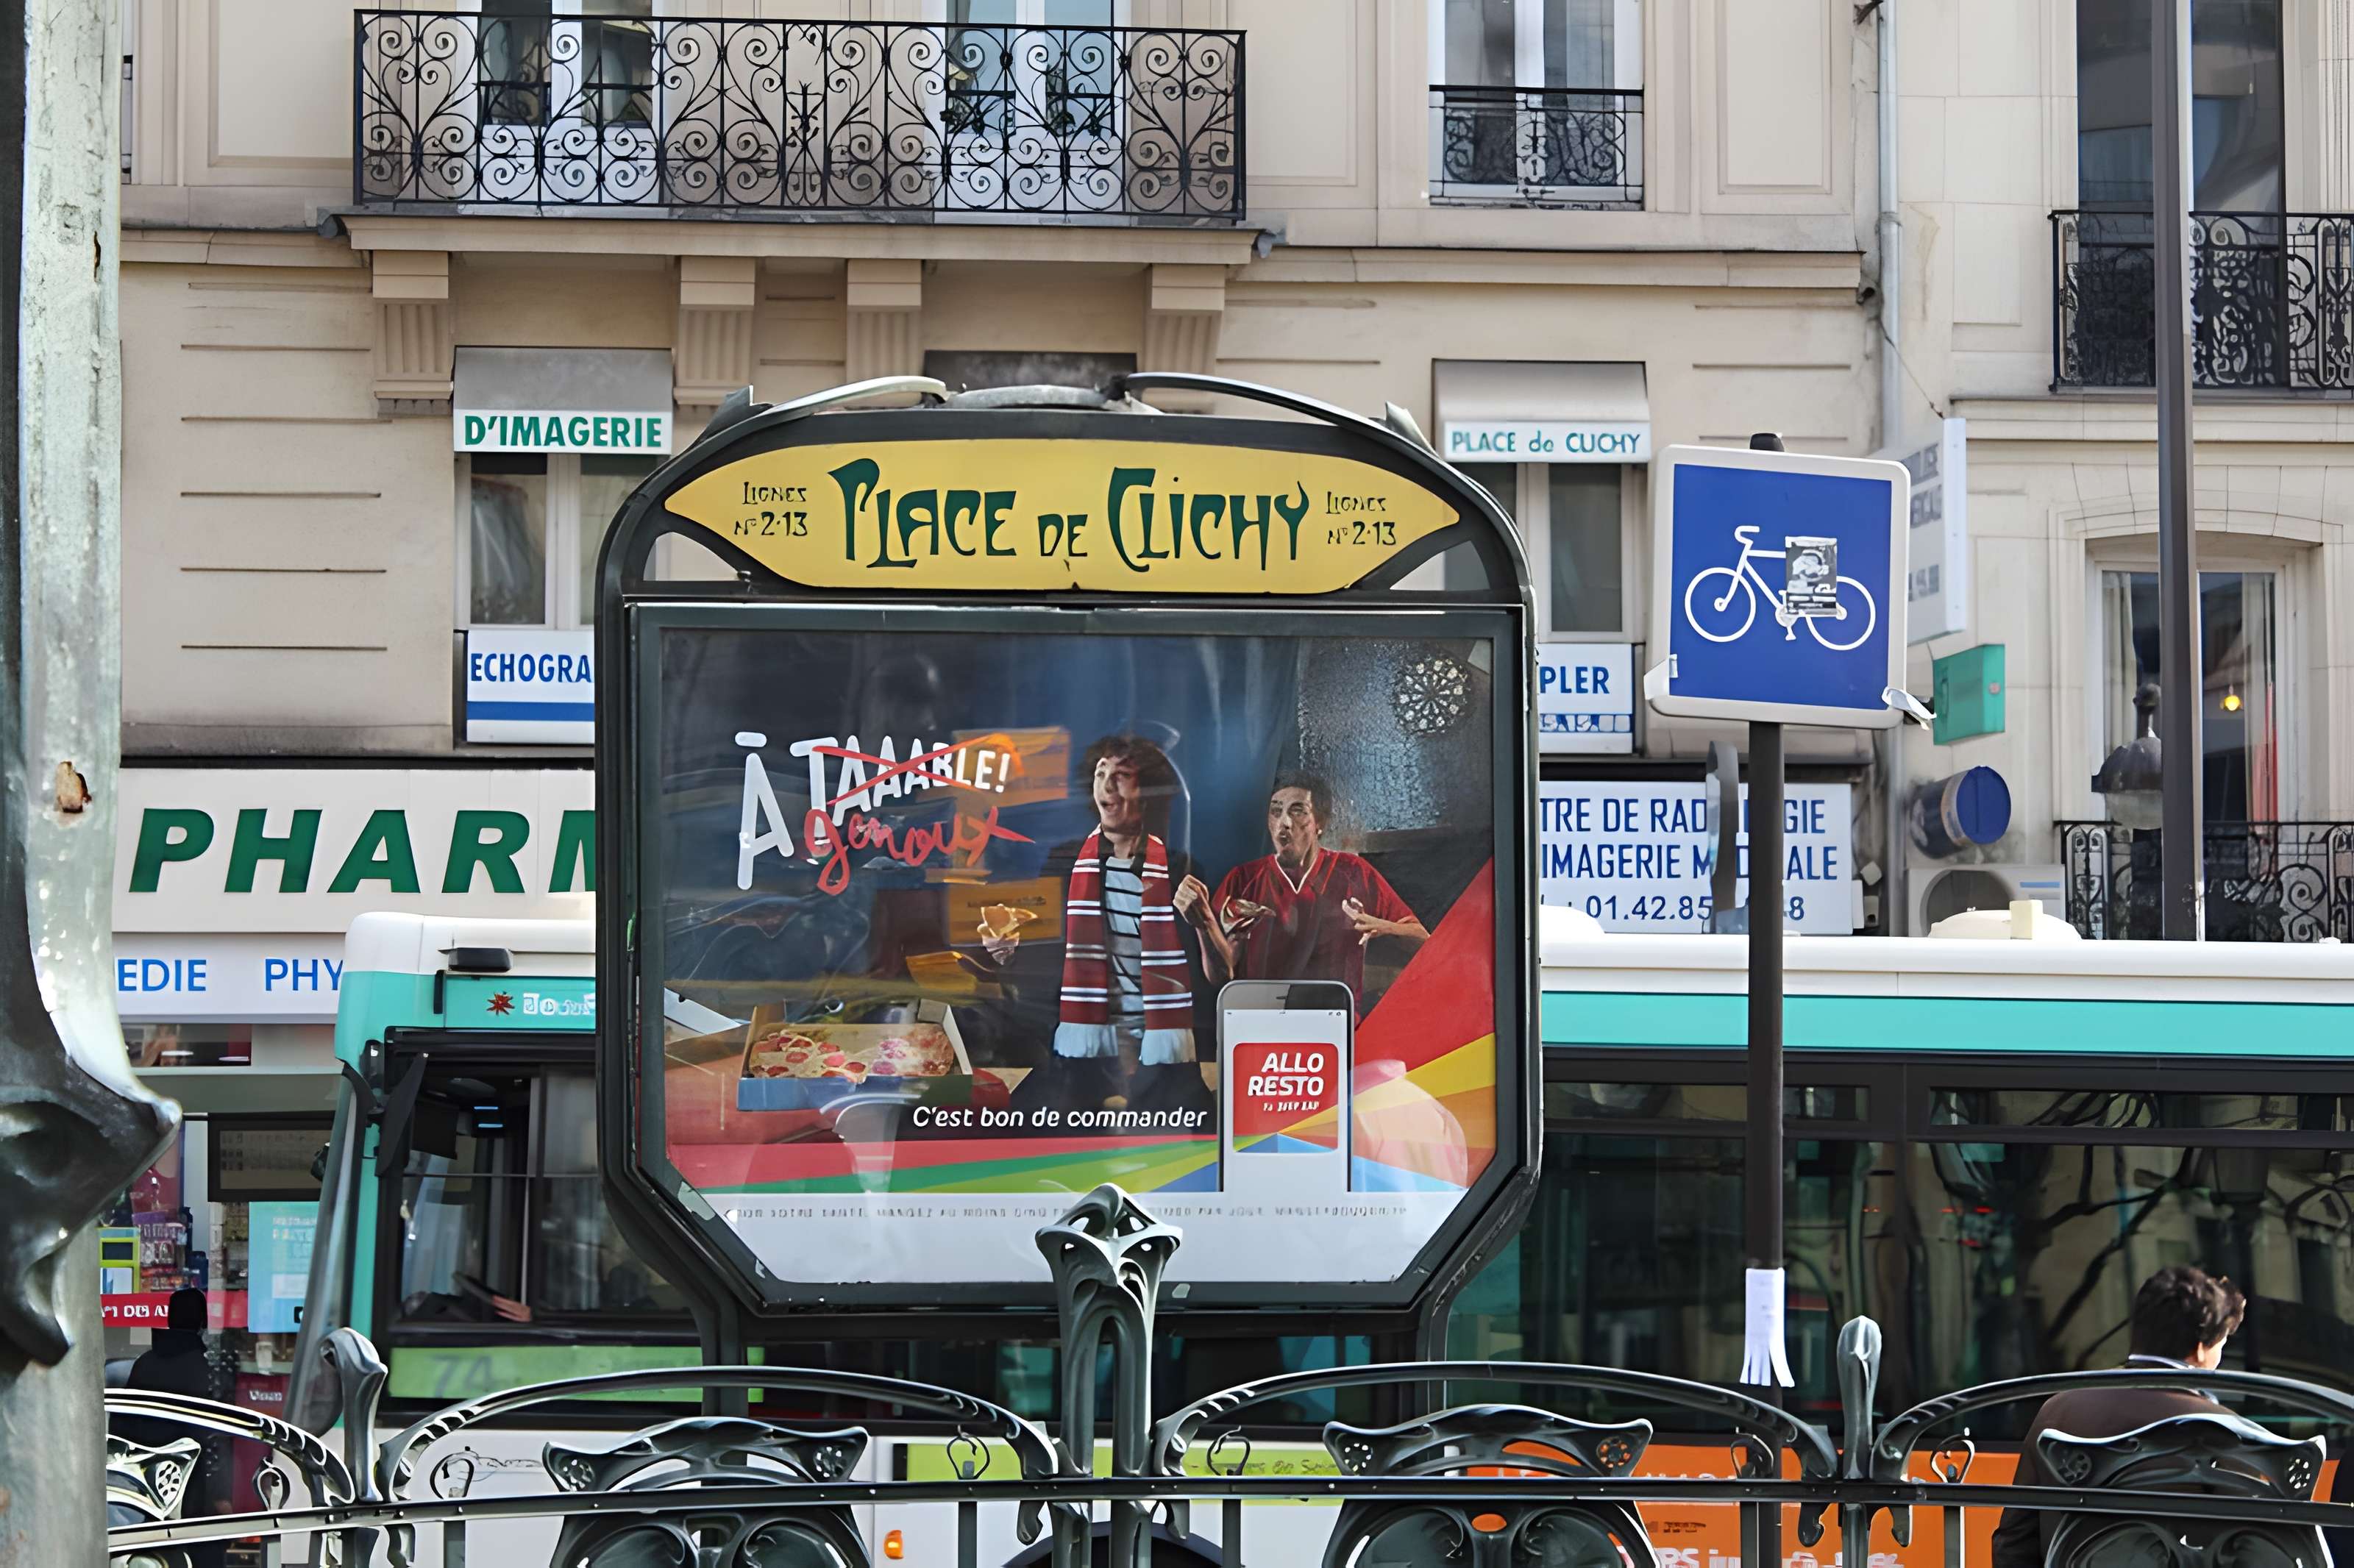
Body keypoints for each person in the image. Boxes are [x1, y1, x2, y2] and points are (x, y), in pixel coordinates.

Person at [981, 734, 1213, 1117]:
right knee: (1021, 1126)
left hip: (1161, 1049)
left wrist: (1208, 926)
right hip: (1082, 1049)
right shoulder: (1065, 861)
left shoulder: (1180, 870)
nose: (1106, 786)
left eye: (1121, 776)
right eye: (1100, 773)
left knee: (1200, 1132)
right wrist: (1007, 950)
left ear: (1148, 792)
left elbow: (1211, 978)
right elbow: (1040, 964)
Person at [1989, 1266, 2248, 1568]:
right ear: (2202, 1347)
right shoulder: (2222, 1427)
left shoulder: (2058, 1410)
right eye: (2222, 1344)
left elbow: (2013, 1542)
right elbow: (2255, 1545)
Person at [1198, 773, 1427, 1009]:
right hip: (1261, 1025)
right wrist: (1203, 922)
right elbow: (1218, 977)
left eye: (1298, 811)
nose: (1284, 822)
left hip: (1333, 1026)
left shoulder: (1354, 872)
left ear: (1321, 822)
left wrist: (1383, 927)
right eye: (1276, 812)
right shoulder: (1243, 879)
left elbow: (1423, 940)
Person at [110, 1289, 231, 1568]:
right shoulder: (206, 1369)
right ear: (202, 1322)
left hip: (143, 1485)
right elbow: (215, 1436)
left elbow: (121, 1426)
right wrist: (222, 1494)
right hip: (193, 1488)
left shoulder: (144, 1364)